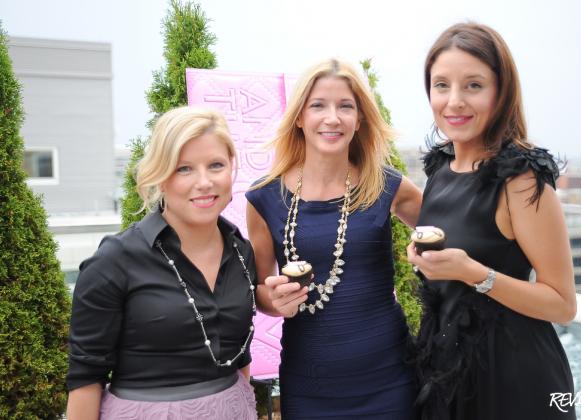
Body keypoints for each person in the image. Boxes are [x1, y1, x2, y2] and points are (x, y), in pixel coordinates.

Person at [407, 23, 577, 420]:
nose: (454, 101)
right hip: (445, 370)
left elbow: (563, 304)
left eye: (473, 86)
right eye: (441, 85)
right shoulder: (439, 168)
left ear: (501, 92)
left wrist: (474, 273)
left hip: (512, 376)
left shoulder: (520, 178)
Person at [246, 58, 422, 419]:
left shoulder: (387, 186)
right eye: (318, 106)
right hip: (308, 386)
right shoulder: (263, 198)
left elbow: (454, 236)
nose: (333, 118)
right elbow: (260, 292)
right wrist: (276, 300)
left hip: (391, 380)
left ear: (359, 119)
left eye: (345, 106)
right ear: (299, 117)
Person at [66, 106, 258, 420]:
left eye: (216, 165)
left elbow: (239, 358)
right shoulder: (115, 260)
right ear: (160, 175)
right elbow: (86, 378)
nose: (204, 182)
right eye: (184, 169)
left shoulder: (241, 251)